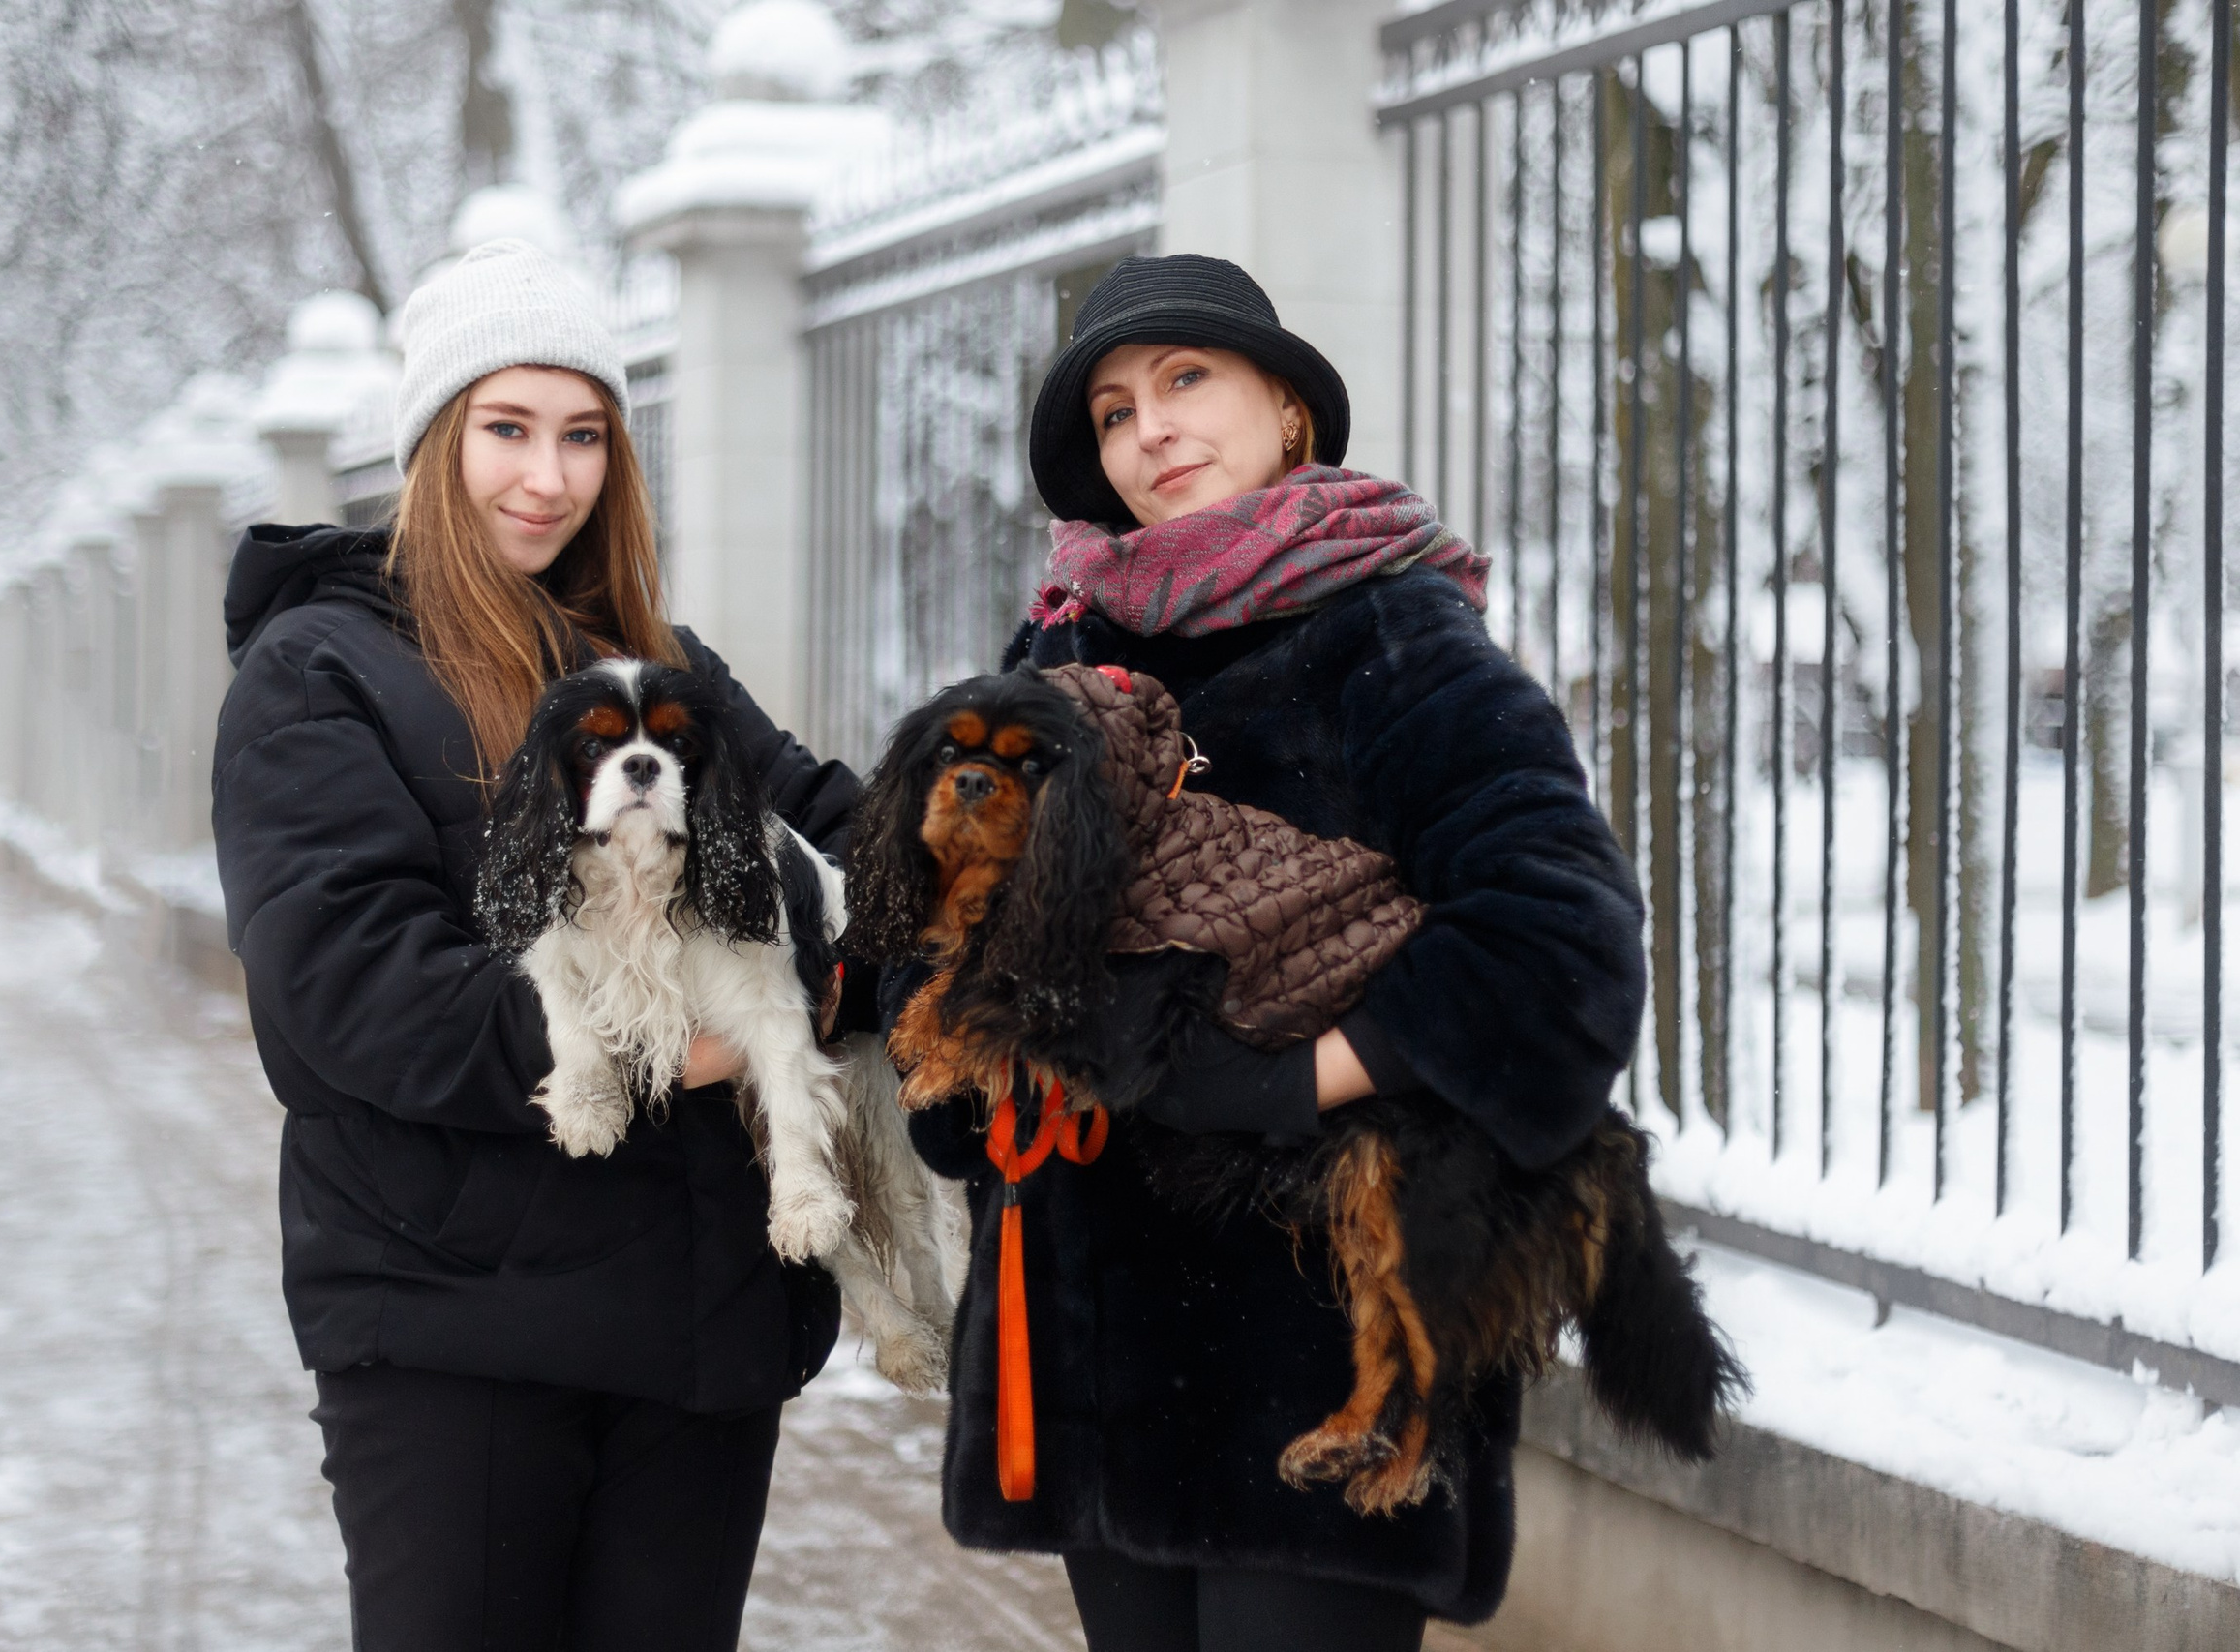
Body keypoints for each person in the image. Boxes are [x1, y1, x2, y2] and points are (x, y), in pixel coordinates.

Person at [904, 254, 1646, 1650]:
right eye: (1116, 413)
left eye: (1187, 382)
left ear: (1289, 410)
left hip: (1314, 1343)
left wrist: (1291, 1083)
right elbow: (946, 918)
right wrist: (973, 1066)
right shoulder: (1059, 646)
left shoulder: (1395, 634)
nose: (1152, 431)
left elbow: (1564, 946)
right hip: (1090, 1361)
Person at [211, 238, 860, 1652]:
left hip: (695, 1330)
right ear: (436, 440)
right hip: (459, 1326)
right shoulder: (321, 673)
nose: (547, 476)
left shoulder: (649, 669)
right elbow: (347, 993)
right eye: (507, 428)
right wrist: (691, 1041)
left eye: (582, 436)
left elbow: (849, 837)